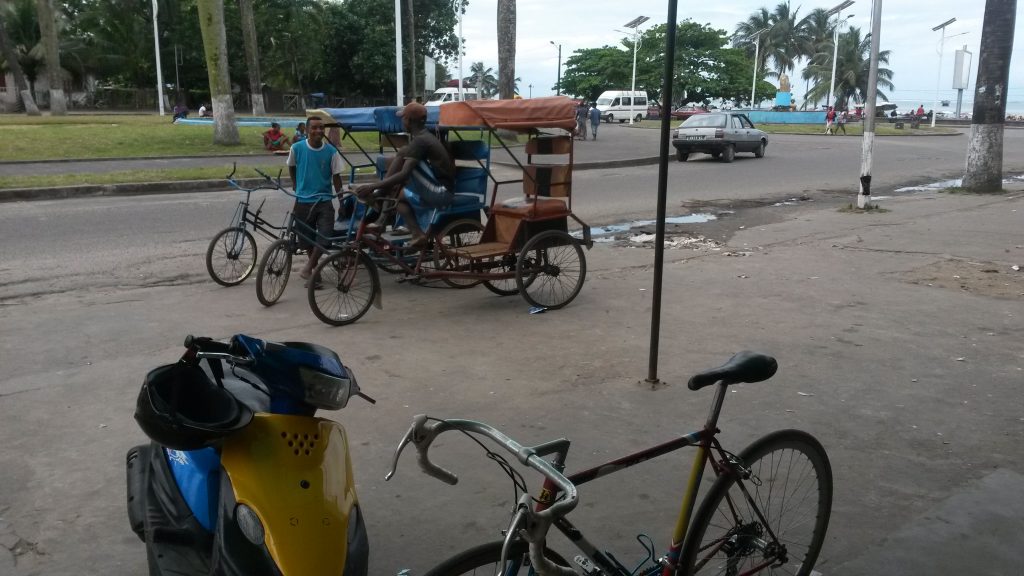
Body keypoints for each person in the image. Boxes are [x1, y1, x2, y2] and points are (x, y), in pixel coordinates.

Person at [354, 101, 455, 249]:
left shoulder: (421, 141)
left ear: (408, 120)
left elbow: (404, 174)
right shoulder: (422, 137)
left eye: (403, 118)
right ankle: (417, 233)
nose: (402, 121)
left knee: (403, 162)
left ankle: (379, 201)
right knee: (398, 199)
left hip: (441, 192)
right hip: (436, 187)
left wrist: (372, 186)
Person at [286, 116, 345, 283]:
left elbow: (337, 178)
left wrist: (341, 202)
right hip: (303, 201)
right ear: (306, 130)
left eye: (321, 127)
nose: (319, 131)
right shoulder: (296, 148)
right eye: (314, 128)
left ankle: (309, 267)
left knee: (325, 234)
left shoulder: (331, 152)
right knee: (306, 238)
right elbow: (291, 166)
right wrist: (296, 184)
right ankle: (315, 273)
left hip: (324, 201)